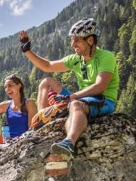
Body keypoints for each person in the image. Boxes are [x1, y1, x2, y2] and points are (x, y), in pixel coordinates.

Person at [19, 18, 119, 157]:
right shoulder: (76, 59)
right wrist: (27, 50)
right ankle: (43, 122)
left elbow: (100, 86)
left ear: (90, 40)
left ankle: (69, 142)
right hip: (82, 98)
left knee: (75, 104)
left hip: (104, 100)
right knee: (46, 82)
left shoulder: (105, 57)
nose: (73, 44)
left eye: (77, 40)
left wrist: (72, 97)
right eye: (72, 40)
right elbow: (47, 66)